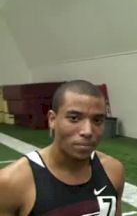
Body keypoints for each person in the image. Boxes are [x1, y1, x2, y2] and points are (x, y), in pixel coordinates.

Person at [0, 80, 125, 216]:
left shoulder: (113, 171)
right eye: (74, 118)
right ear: (52, 119)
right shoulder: (11, 183)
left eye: (97, 120)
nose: (88, 131)